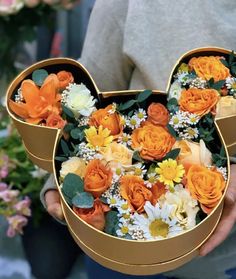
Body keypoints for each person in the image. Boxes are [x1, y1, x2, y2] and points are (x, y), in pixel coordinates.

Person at [41, 1, 236, 278]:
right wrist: (61, 177)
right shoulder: (127, 4)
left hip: (219, 253)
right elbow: (89, 99)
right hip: (119, 244)